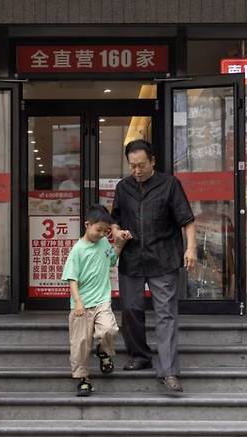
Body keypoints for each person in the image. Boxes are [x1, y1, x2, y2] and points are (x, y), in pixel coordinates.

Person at [111, 139, 197, 393]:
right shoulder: (123, 187)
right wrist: (117, 232)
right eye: (132, 166)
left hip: (164, 258)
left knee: (166, 315)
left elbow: (187, 220)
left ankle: (169, 371)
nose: (136, 171)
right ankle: (140, 355)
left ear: (153, 161)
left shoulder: (170, 184)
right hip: (132, 258)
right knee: (130, 309)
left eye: (141, 165)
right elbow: (114, 219)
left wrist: (190, 248)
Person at [61, 204, 131, 396]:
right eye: (98, 230)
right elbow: (72, 279)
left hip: (101, 301)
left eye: (105, 231)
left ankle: (103, 352)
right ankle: (84, 379)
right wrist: (78, 303)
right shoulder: (77, 250)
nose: (101, 234)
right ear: (87, 225)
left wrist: (120, 244)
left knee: (109, 328)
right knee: (80, 344)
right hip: (81, 306)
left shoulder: (103, 244)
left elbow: (111, 259)